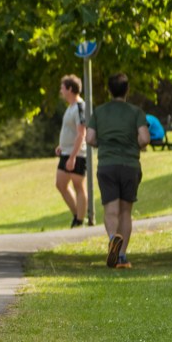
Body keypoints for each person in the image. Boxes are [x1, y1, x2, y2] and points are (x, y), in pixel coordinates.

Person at [86, 73, 150, 269]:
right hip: (129, 165)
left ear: (109, 90)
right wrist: (133, 144)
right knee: (125, 212)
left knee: (110, 210)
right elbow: (145, 138)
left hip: (107, 165)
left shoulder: (99, 112)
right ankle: (122, 256)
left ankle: (113, 238)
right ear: (127, 90)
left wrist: (104, 144)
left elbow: (89, 139)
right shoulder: (135, 112)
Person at [55, 74, 88, 228]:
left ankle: (80, 221)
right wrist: (62, 145)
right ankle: (77, 214)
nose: (61, 91)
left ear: (70, 89)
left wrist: (73, 157)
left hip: (77, 154)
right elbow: (70, 130)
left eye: (62, 88)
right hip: (66, 151)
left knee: (78, 186)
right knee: (60, 184)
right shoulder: (70, 107)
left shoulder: (81, 107)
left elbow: (81, 133)